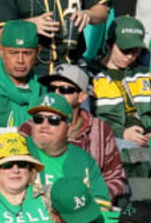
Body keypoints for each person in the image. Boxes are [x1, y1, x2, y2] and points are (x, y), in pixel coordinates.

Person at [40, 61, 126, 204]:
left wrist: (94, 197)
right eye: (51, 89)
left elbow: (116, 178)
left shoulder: (100, 130)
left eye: (65, 90)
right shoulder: (33, 126)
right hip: (43, 208)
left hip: (87, 209)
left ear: (82, 97)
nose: (56, 94)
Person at [90, 15, 151, 153]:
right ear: (108, 44)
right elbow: (88, 119)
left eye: (136, 51)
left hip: (148, 139)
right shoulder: (91, 75)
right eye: (125, 50)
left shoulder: (145, 74)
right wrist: (121, 132)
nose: (130, 56)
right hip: (113, 139)